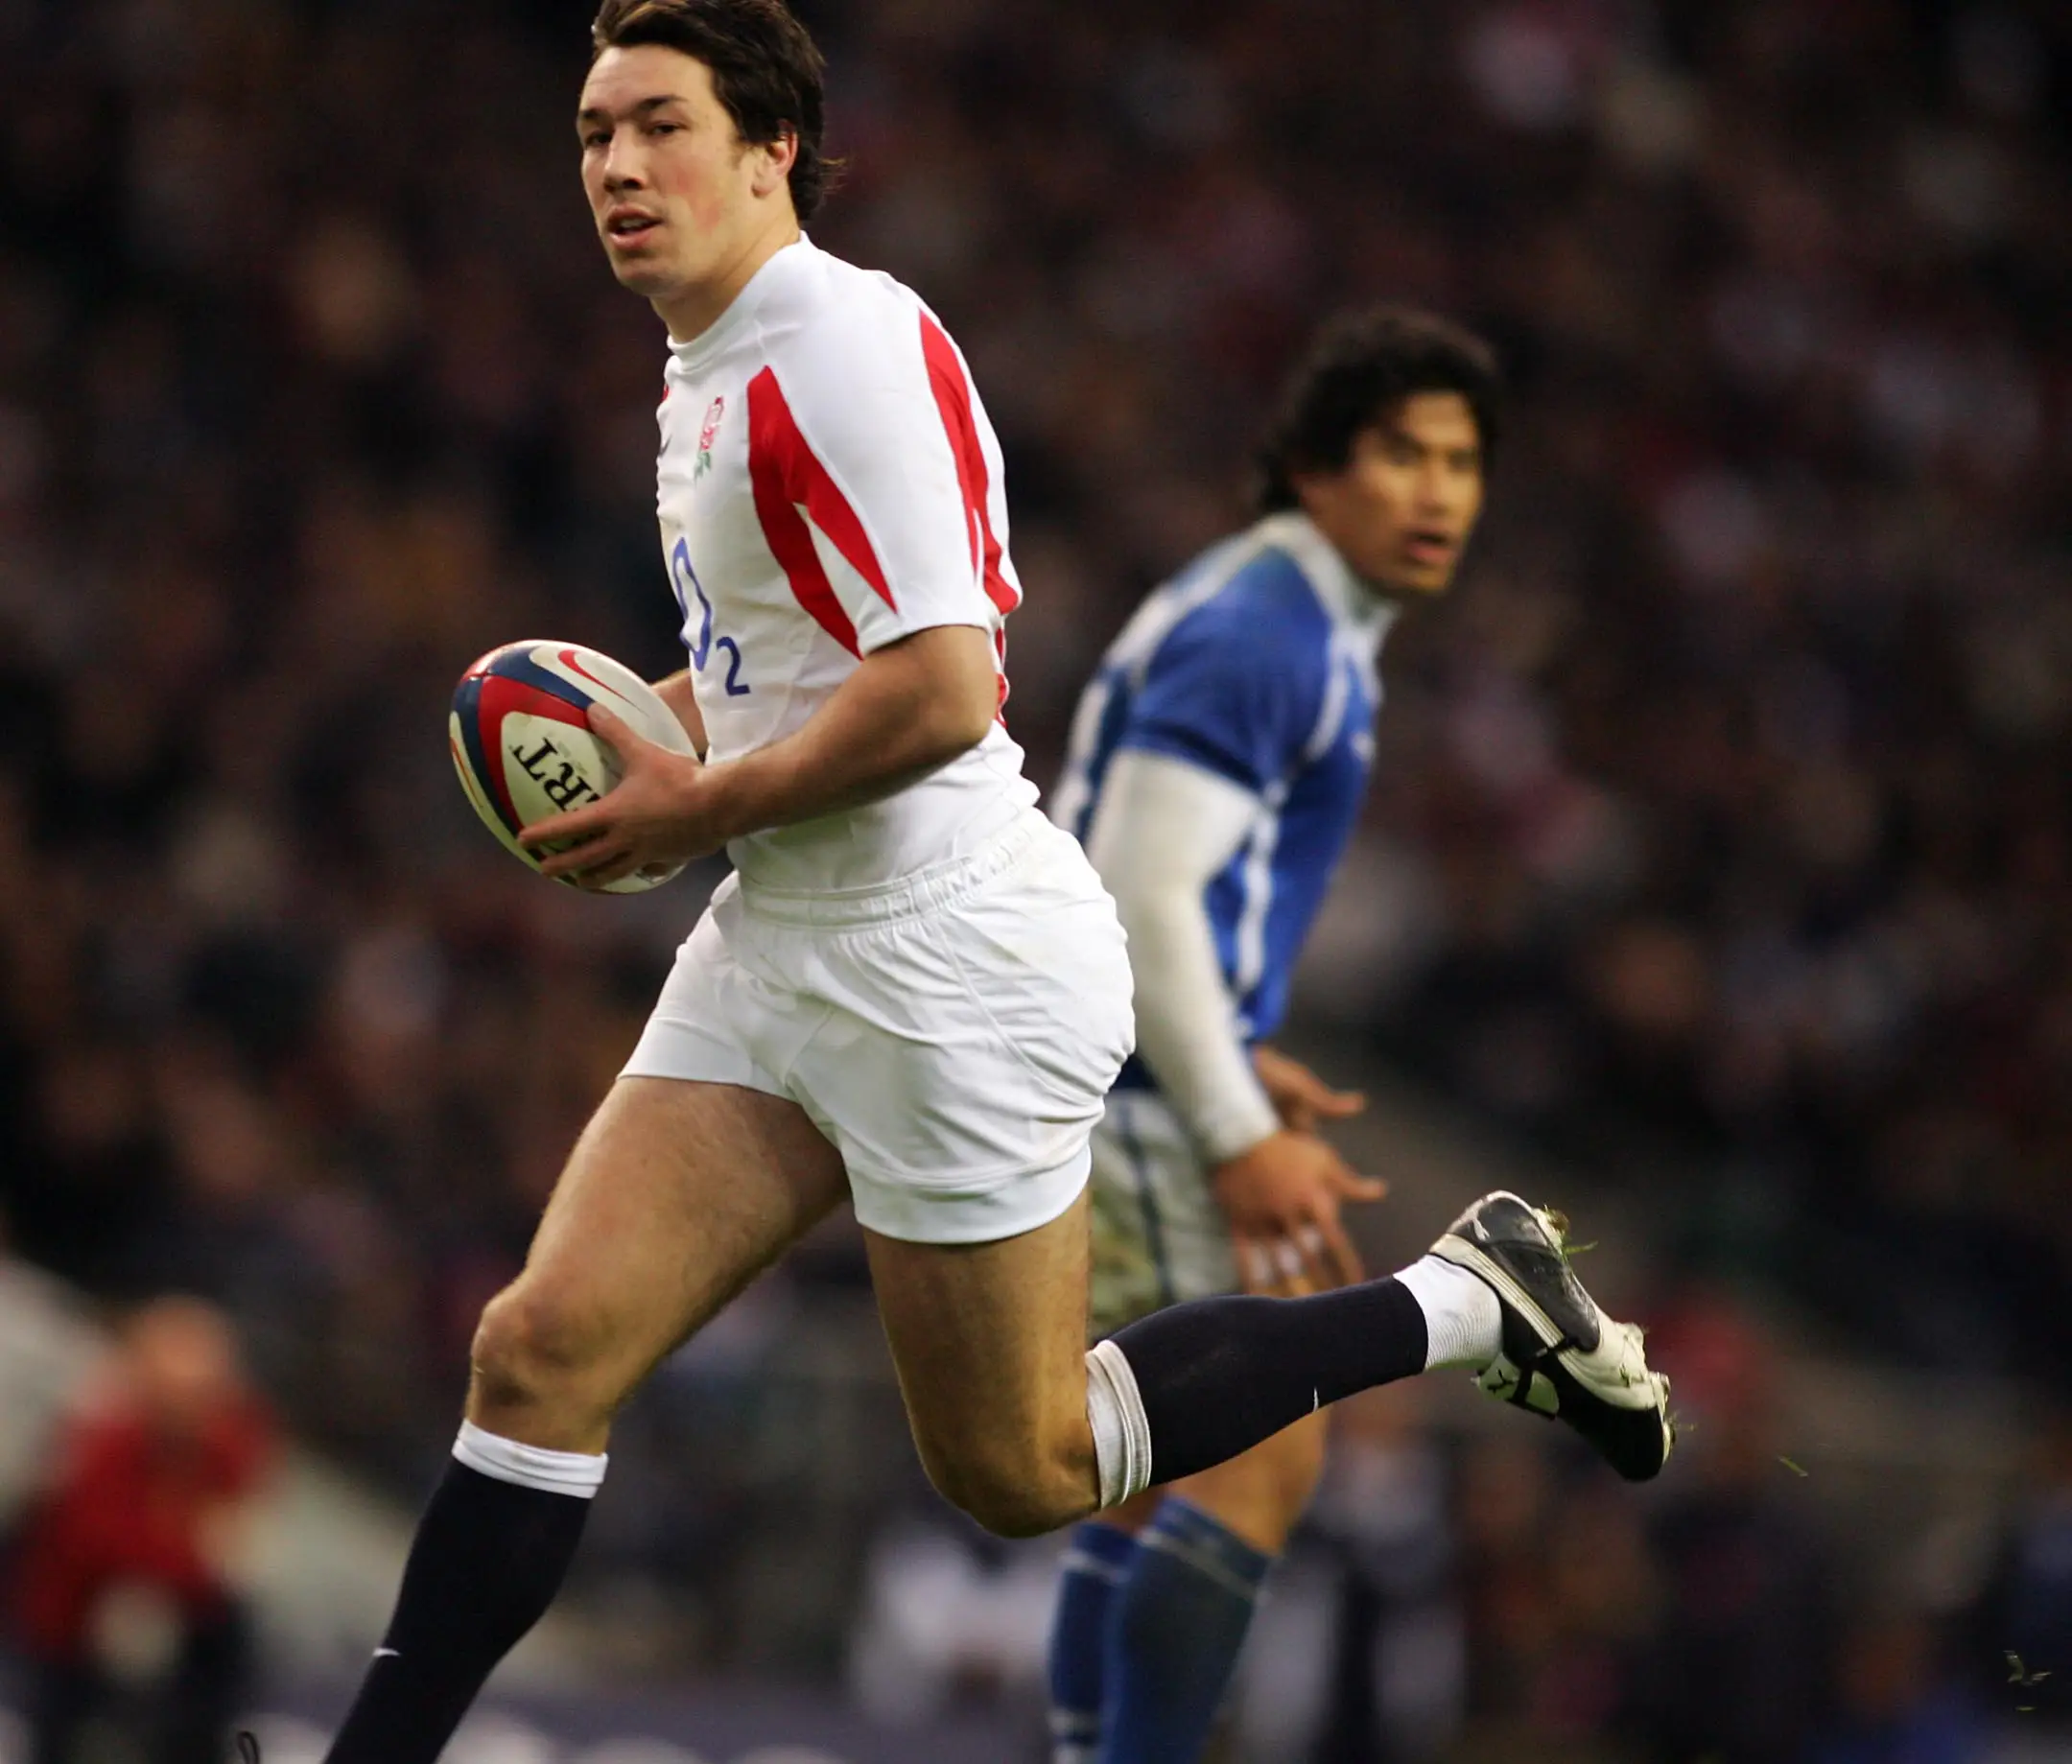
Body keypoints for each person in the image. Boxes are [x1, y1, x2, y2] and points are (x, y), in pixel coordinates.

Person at [297, 7, 1672, 1760]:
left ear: (770, 146)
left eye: (659, 125)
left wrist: (694, 800)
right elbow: (781, 657)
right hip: (788, 934)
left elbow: (945, 685)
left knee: (1022, 1466)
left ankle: (1472, 1300)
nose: (620, 168)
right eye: (592, 136)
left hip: (947, 955)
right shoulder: (706, 361)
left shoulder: (838, 347)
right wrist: (659, 743)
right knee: (540, 1348)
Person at [1041, 306, 1544, 1764]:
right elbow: (1139, 886)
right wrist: (1234, 1121)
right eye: (1400, 452)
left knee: (1136, 1474)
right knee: (1246, 1464)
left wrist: (1232, 1047)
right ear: (1315, 465)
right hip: (1138, 1098)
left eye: (1462, 460)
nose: (1439, 490)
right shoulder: (1271, 629)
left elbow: (1113, 857)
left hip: (1119, 1069)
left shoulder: (1274, 610)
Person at [7, 1297, 275, 1764]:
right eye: (173, 1388)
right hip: (73, 1617)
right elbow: (92, 1541)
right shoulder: (105, 1433)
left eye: (201, 1392)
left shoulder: (231, 1439)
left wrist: (185, 1553)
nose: (187, 1405)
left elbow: (231, 1543)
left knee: (228, 1633)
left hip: (181, 1614)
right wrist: (184, 1547)